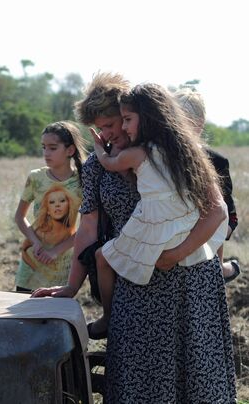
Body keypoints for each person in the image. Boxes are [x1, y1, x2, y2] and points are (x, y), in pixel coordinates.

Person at [33, 73, 236, 402]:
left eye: (115, 123)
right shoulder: (100, 165)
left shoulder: (178, 153)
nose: (111, 133)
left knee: (196, 377)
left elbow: (216, 212)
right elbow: (87, 227)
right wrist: (71, 286)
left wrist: (180, 254)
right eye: (102, 128)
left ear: (136, 116)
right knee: (140, 382)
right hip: (136, 286)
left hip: (189, 282)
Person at [87, 83, 227, 337]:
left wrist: (99, 149)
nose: (125, 127)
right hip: (184, 227)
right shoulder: (186, 152)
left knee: (102, 258)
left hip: (152, 227)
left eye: (126, 120)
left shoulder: (138, 154)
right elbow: (218, 211)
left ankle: (108, 317)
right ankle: (226, 270)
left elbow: (109, 163)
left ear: (148, 118)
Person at [175, 87, 241, 283]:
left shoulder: (216, 162)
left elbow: (230, 216)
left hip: (205, 251)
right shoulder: (158, 157)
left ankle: (221, 270)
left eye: (183, 121)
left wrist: (207, 241)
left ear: (199, 124)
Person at [13, 121, 86, 292]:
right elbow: (19, 216)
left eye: (52, 148)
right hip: (32, 261)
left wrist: (56, 251)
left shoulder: (82, 180)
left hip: (63, 264)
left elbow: (87, 227)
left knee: (55, 315)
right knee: (24, 314)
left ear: (70, 150)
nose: (46, 153)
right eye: (44, 147)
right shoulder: (36, 178)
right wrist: (35, 242)